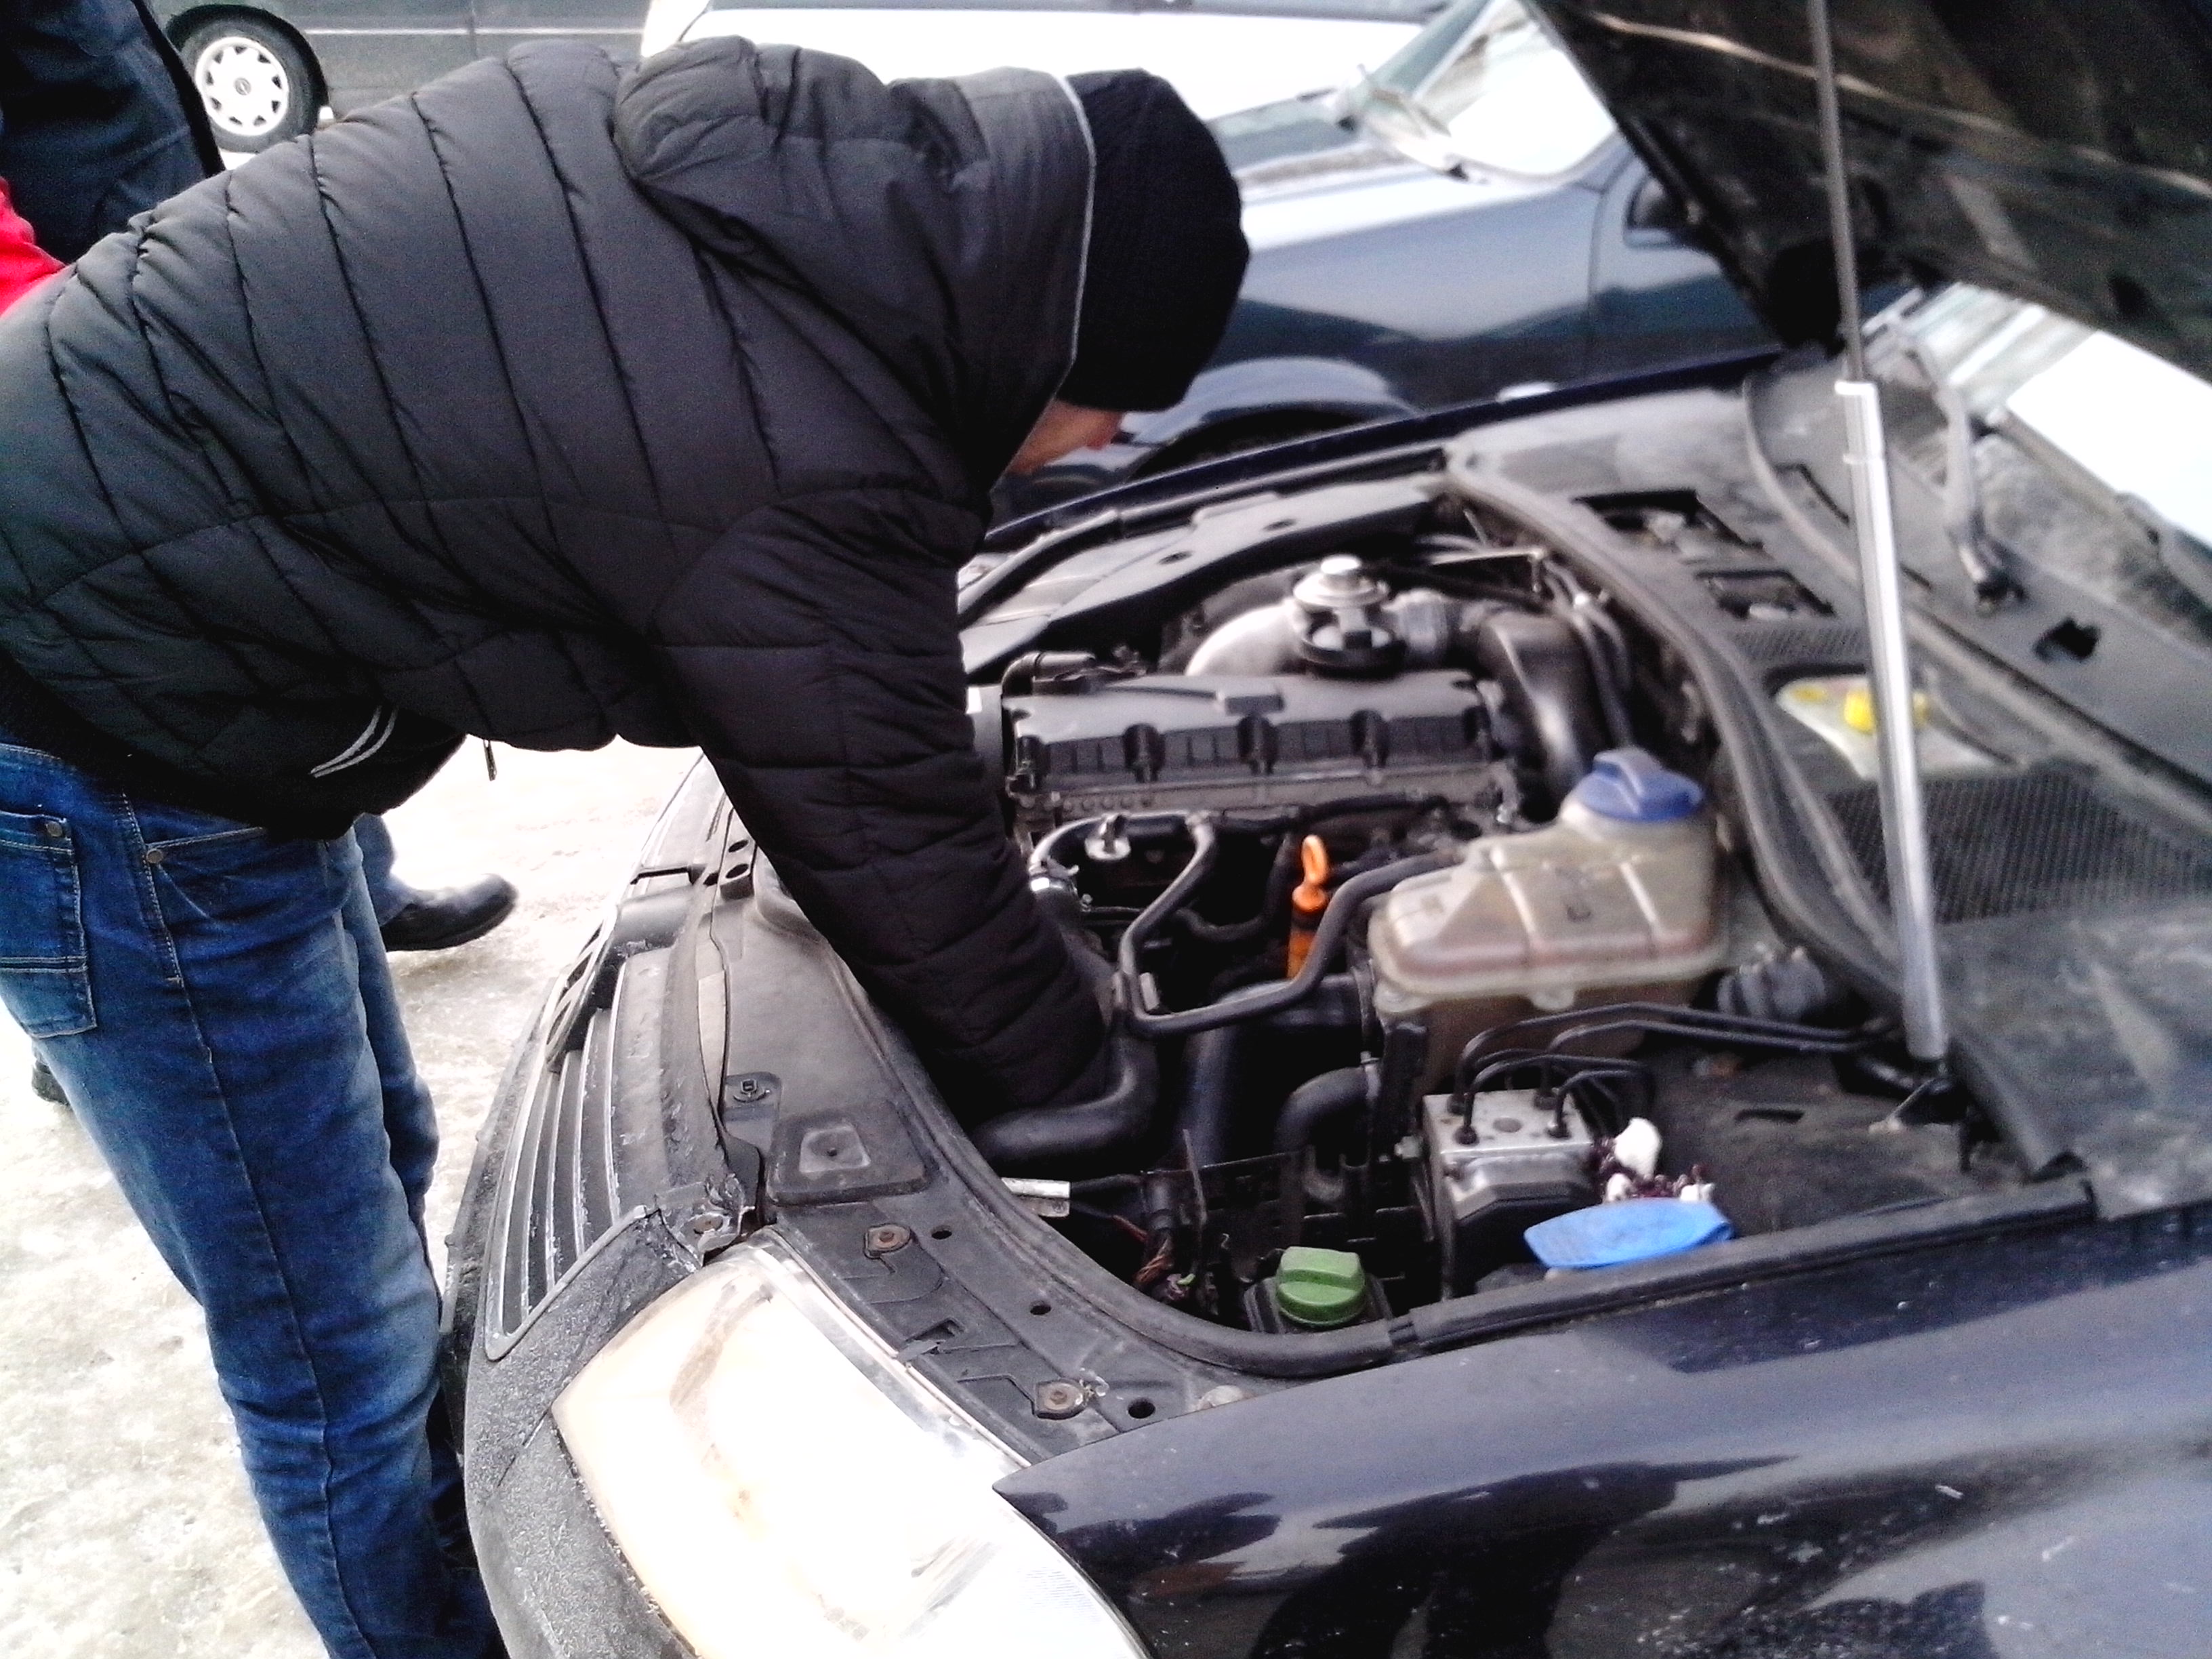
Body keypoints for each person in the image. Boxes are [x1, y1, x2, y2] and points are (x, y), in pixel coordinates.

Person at [0, 33, 1247, 1659]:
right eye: (1116, 403)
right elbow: (895, 843)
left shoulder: (755, 182)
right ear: (1059, 333)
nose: (1100, 443)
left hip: (147, 610)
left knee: (375, 1165)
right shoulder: (802, 432)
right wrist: (1107, 1102)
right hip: (92, 743)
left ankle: (447, 1520)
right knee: (328, 1343)